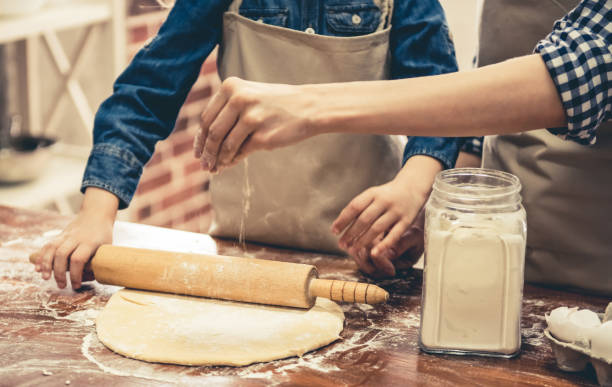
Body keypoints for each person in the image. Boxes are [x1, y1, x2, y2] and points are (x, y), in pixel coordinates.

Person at [30, 0, 479, 289]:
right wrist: (95, 213)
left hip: (363, 255)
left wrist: (412, 186)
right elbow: (145, 92)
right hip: (244, 250)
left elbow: (439, 96)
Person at [194, 0, 612, 294]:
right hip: (497, 248)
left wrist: (309, 105)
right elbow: (487, 96)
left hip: (596, 275)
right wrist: (436, 202)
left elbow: (575, 75)